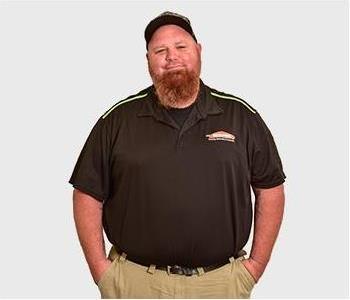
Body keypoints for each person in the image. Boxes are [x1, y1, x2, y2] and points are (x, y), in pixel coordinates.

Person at [69, 11, 286, 299]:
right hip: (136, 284)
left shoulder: (241, 117)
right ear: (148, 61)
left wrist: (254, 267)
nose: (172, 57)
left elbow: (270, 187)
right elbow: (87, 193)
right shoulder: (117, 120)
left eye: (181, 47)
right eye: (160, 50)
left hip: (220, 284)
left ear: (199, 51)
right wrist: (103, 272)